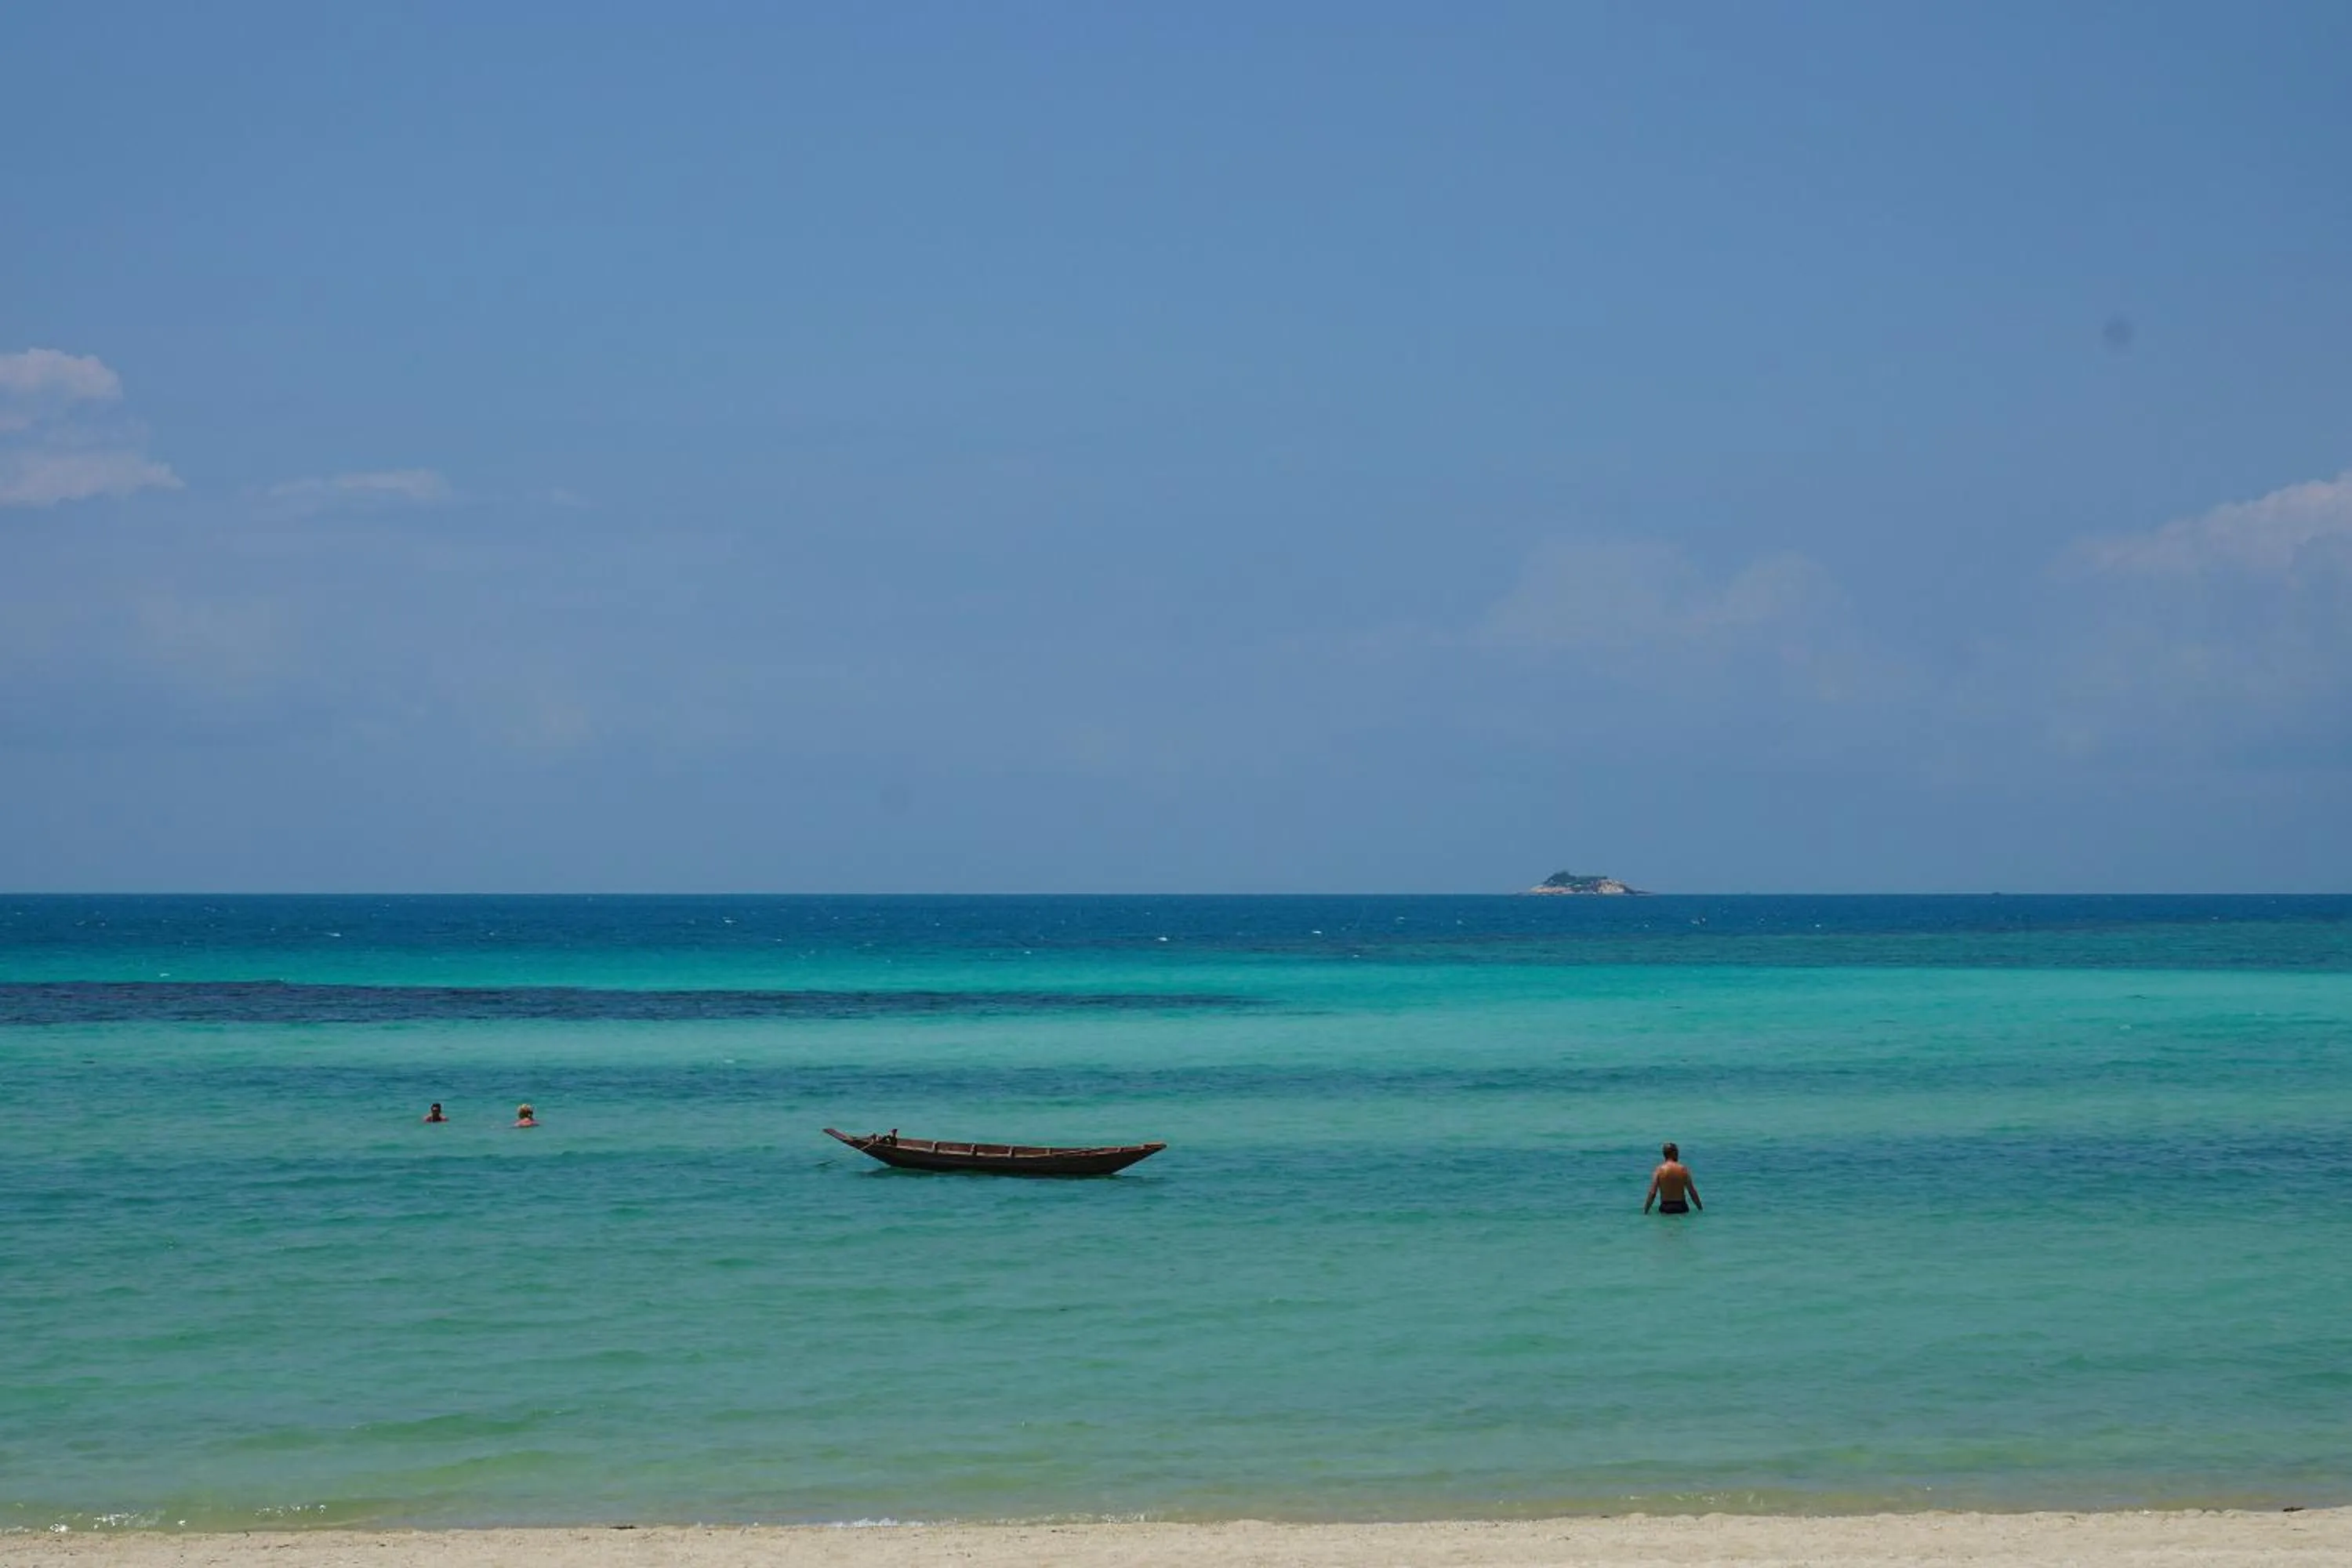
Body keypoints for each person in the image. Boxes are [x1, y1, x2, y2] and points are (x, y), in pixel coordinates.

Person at [1644, 1142, 1700, 1215]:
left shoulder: (1659, 1170)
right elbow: (1692, 1192)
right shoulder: (1683, 1169)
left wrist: (1646, 1210)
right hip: (1681, 1207)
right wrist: (1700, 1208)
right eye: (1677, 1152)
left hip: (1666, 1207)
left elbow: (1652, 1193)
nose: (1678, 1155)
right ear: (1673, 1153)